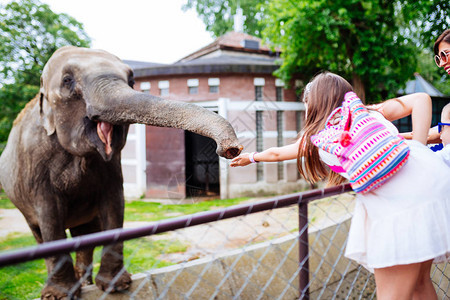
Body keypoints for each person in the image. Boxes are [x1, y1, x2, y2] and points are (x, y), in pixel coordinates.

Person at [230, 71, 450, 299]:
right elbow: (422, 99)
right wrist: (417, 149)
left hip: (402, 206)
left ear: (314, 103)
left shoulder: (320, 136)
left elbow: (277, 153)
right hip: (434, 182)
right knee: (420, 285)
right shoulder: (369, 112)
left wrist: (252, 157)